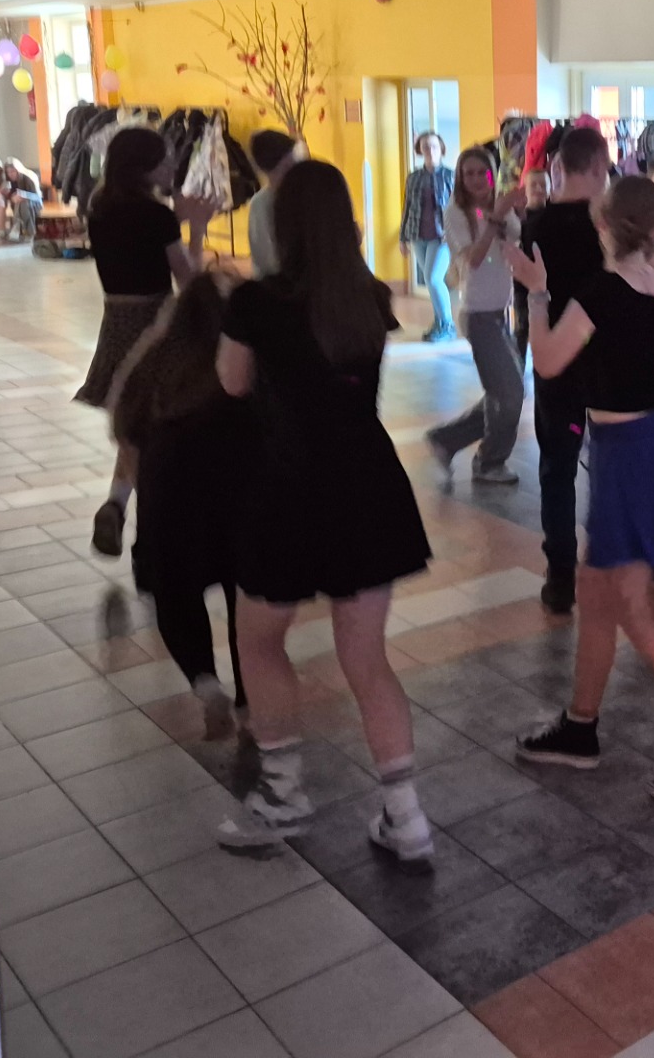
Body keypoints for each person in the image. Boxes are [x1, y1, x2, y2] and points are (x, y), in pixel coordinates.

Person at [214, 160, 436, 863]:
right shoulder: (370, 296)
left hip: (287, 488)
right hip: (368, 486)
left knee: (260, 643)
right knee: (366, 658)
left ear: (282, 225)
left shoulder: (256, 301)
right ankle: (406, 818)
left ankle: (284, 795)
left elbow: (232, 382)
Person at [507, 177, 654, 800]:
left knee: (636, 608)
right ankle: (580, 726)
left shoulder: (602, 292)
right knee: (597, 594)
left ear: (603, 225)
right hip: (646, 447)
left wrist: (537, 293)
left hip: (629, 458)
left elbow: (548, 360)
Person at [110, 272, 253, 740]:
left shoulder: (154, 361)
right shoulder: (242, 360)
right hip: (235, 496)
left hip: (169, 492)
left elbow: (125, 430)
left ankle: (207, 686)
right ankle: (250, 698)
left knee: (176, 596)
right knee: (245, 598)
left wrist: (143, 496)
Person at [77, 128, 210, 558]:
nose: (172, 165)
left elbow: (133, 246)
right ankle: (147, 528)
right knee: (156, 432)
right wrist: (196, 229)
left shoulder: (99, 207)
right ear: (143, 166)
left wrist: (176, 218)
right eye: (164, 159)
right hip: (155, 327)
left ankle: (117, 505)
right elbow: (189, 282)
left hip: (115, 324)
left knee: (134, 428)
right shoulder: (157, 215)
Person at [528, 126, 611, 614]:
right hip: (607, 364)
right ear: (599, 166)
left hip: (556, 361)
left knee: (557, 470)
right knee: (613, 464)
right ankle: (618, 564)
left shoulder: (536, 225)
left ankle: (561, 577)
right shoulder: (609, 225)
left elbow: (528, 299)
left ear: (559, 166)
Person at [426, 148, 526, 484]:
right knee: (509, 393)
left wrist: (517, 212)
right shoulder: (455, 213)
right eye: (467, 173)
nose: (475, 179)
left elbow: (516, 239)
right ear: (459, 178)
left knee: (504, 391)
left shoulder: (497, 205)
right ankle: (489, 462)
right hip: (478, 315)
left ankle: (446, 439)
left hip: (501, 311)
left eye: (481, 172)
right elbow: (473, 260)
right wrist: (496, 217)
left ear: (492, 174)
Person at [399, 131, 455, 343]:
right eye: (425, 147)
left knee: (433, 279)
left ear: (441, 149)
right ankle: (439, 322)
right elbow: (407, 207)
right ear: (420, 151)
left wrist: (455, 232)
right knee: (430, 282)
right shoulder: (413, 177)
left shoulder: (451, 176)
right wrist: (402, 237)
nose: (430, 150)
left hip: (442, 237)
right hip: (417, 236)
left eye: (433, 146)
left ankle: (447, 325)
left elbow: (461, 207)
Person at [245, 129, 298, 279]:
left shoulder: (304, 194)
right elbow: (267, 262)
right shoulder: (260, 205)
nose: (295, 168)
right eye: (288, 164)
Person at [512, 166, 550, 362]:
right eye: (533, 185)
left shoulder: (554, 217)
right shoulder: (517, 219)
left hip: (548, 283)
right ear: (525, 189)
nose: (539, 189)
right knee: (522, 327)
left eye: (543, 184)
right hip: (522, 284)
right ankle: (517, 369)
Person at [4, 157, 44, 240]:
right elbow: (9, 195)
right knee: (21, 203)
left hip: (35, 203)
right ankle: (29, 232)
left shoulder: (28, 178)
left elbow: (38, 196)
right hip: (18, 205)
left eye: (13, 171)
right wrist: (12, 198)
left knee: (23, 203)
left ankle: (17, 226)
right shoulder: (9, 181)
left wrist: (25, 196)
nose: (10, 174)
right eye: (8, 172)